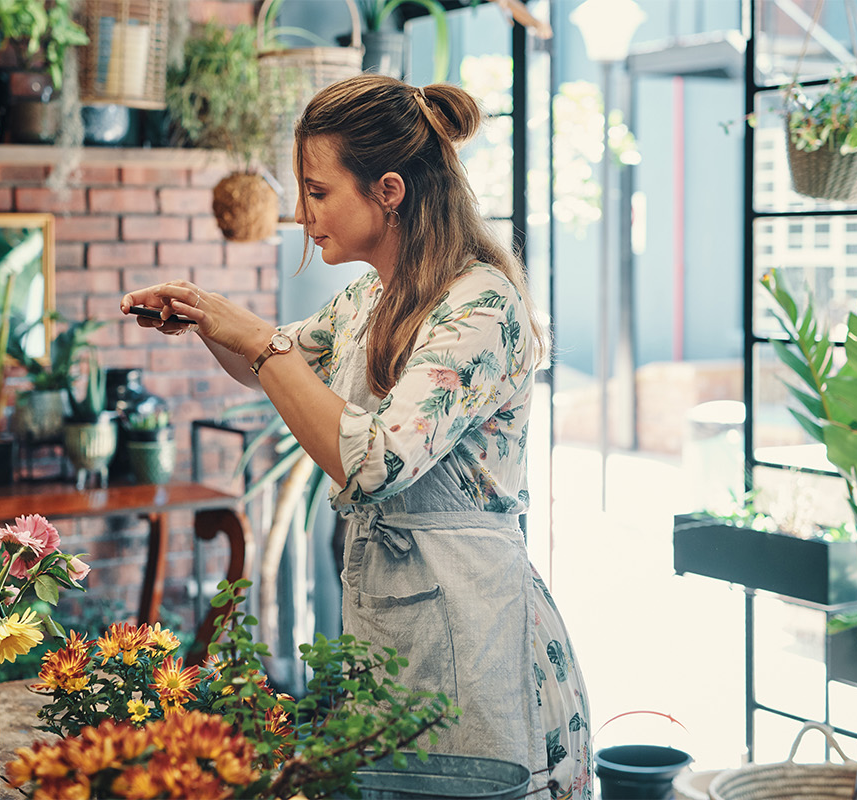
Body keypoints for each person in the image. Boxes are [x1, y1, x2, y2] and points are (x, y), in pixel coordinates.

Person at [120, 73, 590, 799]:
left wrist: (256, 341)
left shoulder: (481, 306)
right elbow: (275, 366)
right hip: (395, 612)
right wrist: (208, 316)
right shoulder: (373, 295)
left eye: (317, 190)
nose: (304, 214)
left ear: (389, 190)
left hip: (473, 624)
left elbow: (374, 462)